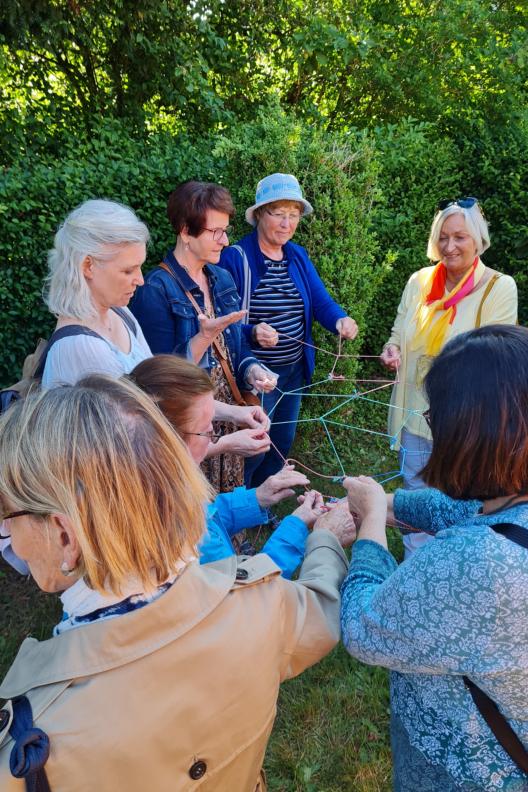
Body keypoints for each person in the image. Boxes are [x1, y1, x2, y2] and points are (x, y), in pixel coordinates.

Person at [0, 376, 349, 791]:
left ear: (66, 536)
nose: (9, 536)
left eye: (8, 514)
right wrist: (324, 536)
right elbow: (322, 608)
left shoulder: (29, 749)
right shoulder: (264, 603)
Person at [342, 324, 528, 792]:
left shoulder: (477, 564)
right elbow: (466, 512)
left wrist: (367, 526)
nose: (427, 419)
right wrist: (387, 504)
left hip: (467, 767)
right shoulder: (510, 503)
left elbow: (365, 627)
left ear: (475, 430)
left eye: (436, 413)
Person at [129, 355, 353, 577]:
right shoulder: (180, 531)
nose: (214, 437)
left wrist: (256, 498)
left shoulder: (157, 487)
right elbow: (250, 596)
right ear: (168, 441)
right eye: (208, 429)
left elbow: (206, 519)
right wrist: (303, 529)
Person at [380, 197, 517, 556]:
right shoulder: (419, 281)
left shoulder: (498, 287)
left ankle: (455, 566)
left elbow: (493, 358)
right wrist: (393, 348)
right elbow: (399, 328)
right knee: (412, 492)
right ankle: (415, 567)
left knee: (461, 497)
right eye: (443, 237)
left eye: (460, 237)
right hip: (414, 410)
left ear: (478, 240)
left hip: (464, 419)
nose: (450, 246)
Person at [131, 180, 276, 493]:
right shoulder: (155, 290)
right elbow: (158, 384)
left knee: (232, 499)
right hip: (189, 430)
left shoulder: (221, 278)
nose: (224, 241)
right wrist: (201, 339)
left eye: (225, 230)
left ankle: (235, 541)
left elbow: (235, 349)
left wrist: (252, 370)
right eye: (215, 231)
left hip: (227, 417)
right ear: (185, 231)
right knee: (194, 510)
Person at [219, 173, 359, 488]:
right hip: (257, 377)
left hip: (293, 372)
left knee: (281, 442)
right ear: (258, 215)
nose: (287, 223)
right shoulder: (236, 258)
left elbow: (321, 302)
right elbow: (222, 324)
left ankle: (263, 499)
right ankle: (240, 502)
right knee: (253, 447)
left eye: (293, 215)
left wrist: (339, 320)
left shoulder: (297, 255)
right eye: (278, 214)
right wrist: (253, 331)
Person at [41, 198, 152, 387]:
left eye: (139, 267)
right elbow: (153, 408)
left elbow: (162, 388)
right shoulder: (79, 346)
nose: (140, 280)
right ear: (88, 266)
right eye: (127, 271)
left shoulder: (120, 312)